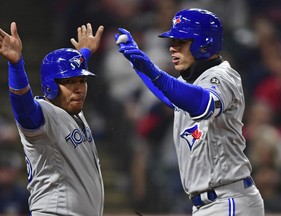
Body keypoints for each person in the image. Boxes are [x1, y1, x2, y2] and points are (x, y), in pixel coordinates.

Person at [115, 8, 265, 216]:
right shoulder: (190, 81)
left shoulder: (222, 76)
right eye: (172, 42)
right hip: (209, 203)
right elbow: (170, 95)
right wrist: (139, 64)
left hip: (228, 201)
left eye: (181, 42)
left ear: (204, 43)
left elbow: (201, 104)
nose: (172, 49)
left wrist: (151, 70)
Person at [0, 22, 105, 216]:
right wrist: (16, 65)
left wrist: (84, 53)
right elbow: (24, 108)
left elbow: (72, 74)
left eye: (82, 81)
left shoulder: (73, 112)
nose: (79, 87)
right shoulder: (46, 115)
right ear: (51, 86)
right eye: (70, 82)